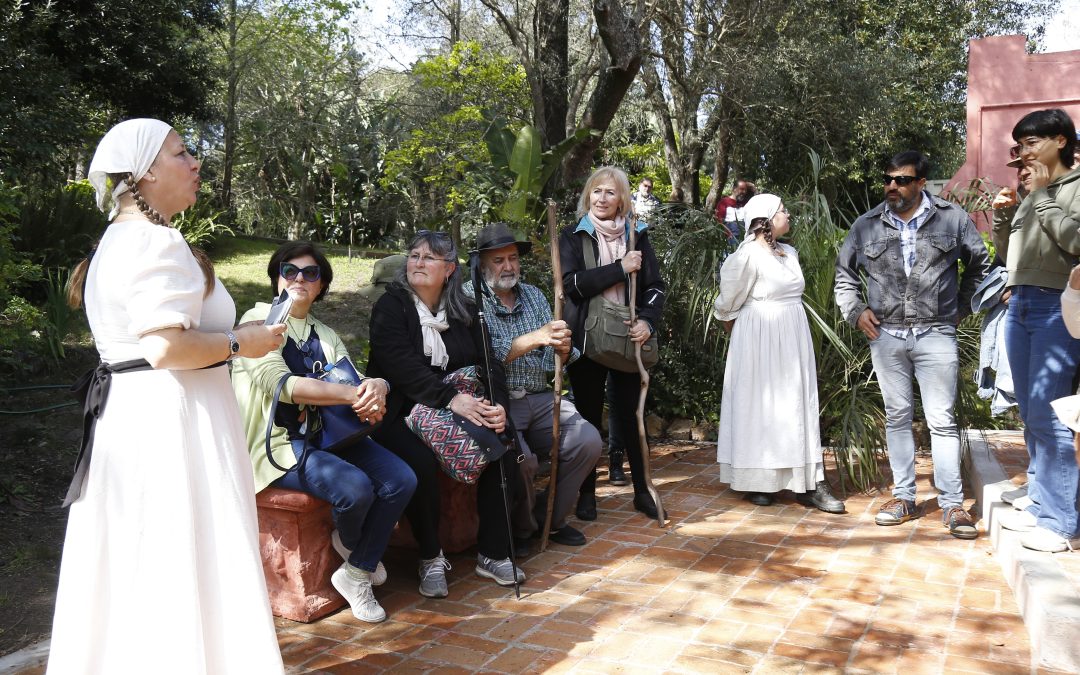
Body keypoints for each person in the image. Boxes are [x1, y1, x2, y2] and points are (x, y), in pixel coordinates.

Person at [51, 119, 286, 673]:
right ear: (147, 172)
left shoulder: (116, 241)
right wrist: (241, 341)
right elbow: (163, 348)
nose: (196, 163)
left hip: (134, 419)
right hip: (172, 423)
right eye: (183, 153)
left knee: (143, 556)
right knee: (181, 552)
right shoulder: (156, 240)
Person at [231, 241, 417, 623]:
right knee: (353, 487)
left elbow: (356, 377)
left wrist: (376, 386)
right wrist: (352, 394)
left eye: (310, 273)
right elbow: (279, 385)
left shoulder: (323, 332)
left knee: (401, 477)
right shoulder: (259, 320)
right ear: (276, 278)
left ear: (320, 285)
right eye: (289, 270)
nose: (299, 278)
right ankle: (357, 549)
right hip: (278, 445)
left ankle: (356, 570)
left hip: (330, 437)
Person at [835, 150, 989, 540]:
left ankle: (953, 505)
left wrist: (960, 310)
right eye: (888, 179)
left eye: (902, 180)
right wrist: (855, 311)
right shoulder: (866, 225)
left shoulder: (951, 219)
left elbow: (981, 266)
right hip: (886, 334)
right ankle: (904, 497)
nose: (892, 186)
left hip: (937, 333)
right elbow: (844, 275)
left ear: (921, 183)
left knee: (941, 420)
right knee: (897, 416)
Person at [367, 230, 525, 595]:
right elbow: (400, 367)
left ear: (450, 269)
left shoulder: (466, 310)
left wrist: (499, 406)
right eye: (414, 255)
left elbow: (491, 364)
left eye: (428, 257)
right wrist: (450, 399)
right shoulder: (392, 307)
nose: (418, 262)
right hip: (402, 409)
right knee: (420, 462)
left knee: (503, 443)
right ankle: (430, 556)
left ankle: (493, 553)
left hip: (457, 406)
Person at [465, 223, 602, 549]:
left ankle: (549, 520)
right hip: (497, 401)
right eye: (499, 260)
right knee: (521, 460)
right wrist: (536, 337)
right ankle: (522, 529)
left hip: (539, 396)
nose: (508, 266)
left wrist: (563, 349)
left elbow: (553, 359)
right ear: (483, 264)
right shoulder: (471, 298)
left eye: (512, 258)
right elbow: (490, 355)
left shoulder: (535, 295)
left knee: (588, 441)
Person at [712, 194, 845, 513]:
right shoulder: (745, 257)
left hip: (792, 339)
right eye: (783, 210)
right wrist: (746, 345)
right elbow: (727, 306)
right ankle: (759, 482)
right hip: (756, 340)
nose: (789, 214)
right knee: (758, 408)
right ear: (766, 218)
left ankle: (808, 483)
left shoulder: (790, 253)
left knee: (795, 407)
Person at [992, 109, 1080, 553]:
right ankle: (1044, 501)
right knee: (1029, 410)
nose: (1024, 152)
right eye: (1020, 145)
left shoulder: (1073, 186)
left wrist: (1042, 197)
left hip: (1056, 306)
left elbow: (1076, 242)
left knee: (1052, 413)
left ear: (1060, 141)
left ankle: (1063, 522)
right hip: (1021, 301)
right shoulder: (1033, 190)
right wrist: (1005, 218)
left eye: (1031, 142)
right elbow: (1008, 253)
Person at [561, 166, 666, 521]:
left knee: (632, 415)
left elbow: (655, 287)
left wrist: (648, 322)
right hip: (587, 340)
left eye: (609, 192)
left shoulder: (638, 235)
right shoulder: (574, 236)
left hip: (627, 337)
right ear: (587, 196)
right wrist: (620, 268)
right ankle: (587, 494)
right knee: (589, 419)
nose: (602, 198)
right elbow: (571, 285)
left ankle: (642, 491)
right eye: (596, 191)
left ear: (622, 198)